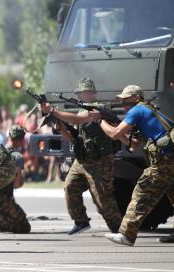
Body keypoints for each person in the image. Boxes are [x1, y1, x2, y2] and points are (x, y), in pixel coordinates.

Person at [90, 85, 174, 246]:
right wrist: (115, 126)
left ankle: (127, 234)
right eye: (122, 100)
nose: (124, 103)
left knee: (142, 192)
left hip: (165, 160)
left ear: (137, 97)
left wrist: (100, 121)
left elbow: (114, 134)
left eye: (127, 99)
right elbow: (133, 144)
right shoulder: (148, 109)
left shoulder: (138, 110)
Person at [40, 78, 122, 235]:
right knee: (70, 187)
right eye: (79, 93)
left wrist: (53, 110)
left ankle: (118, 228)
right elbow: (73, 138)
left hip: (100, 160)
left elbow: (77, 120)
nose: (80, 95)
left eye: (83, 92)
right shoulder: (82, 110)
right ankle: (80, 221)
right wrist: (62, 128)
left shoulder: (98, 109)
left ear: (92, 93)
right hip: (83, 159)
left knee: (102, 197)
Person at [0, 125, 31, 233]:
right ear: (20, 141)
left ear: (9, 137)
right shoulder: (17, 156)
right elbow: (17, 184)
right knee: (24, 227)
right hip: (4, 199)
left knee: (10, 214)